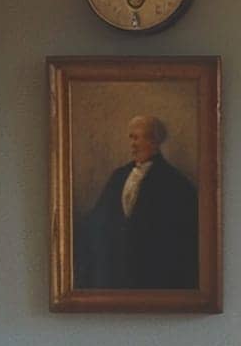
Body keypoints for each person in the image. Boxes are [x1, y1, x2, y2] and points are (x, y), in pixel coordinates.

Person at [76, 114, 199, 289]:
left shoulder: (175, 183)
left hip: (154, 278)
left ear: (155, 142)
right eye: (131, 138)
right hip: (116, 275)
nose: (132, 144)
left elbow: (181, 238)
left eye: (137, 138)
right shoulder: (119, 176)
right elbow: (98, 219)